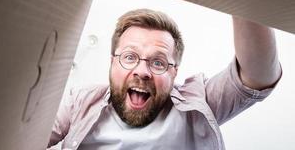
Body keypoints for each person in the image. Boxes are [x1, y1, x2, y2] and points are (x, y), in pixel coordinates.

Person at [47, 8, 282, 150]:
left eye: (158, 62)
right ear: (112, 62)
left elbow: (258, 74)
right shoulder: (79, 102)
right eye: (130, 57)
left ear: (174, 72)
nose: (142, 71)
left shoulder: (200, 102)